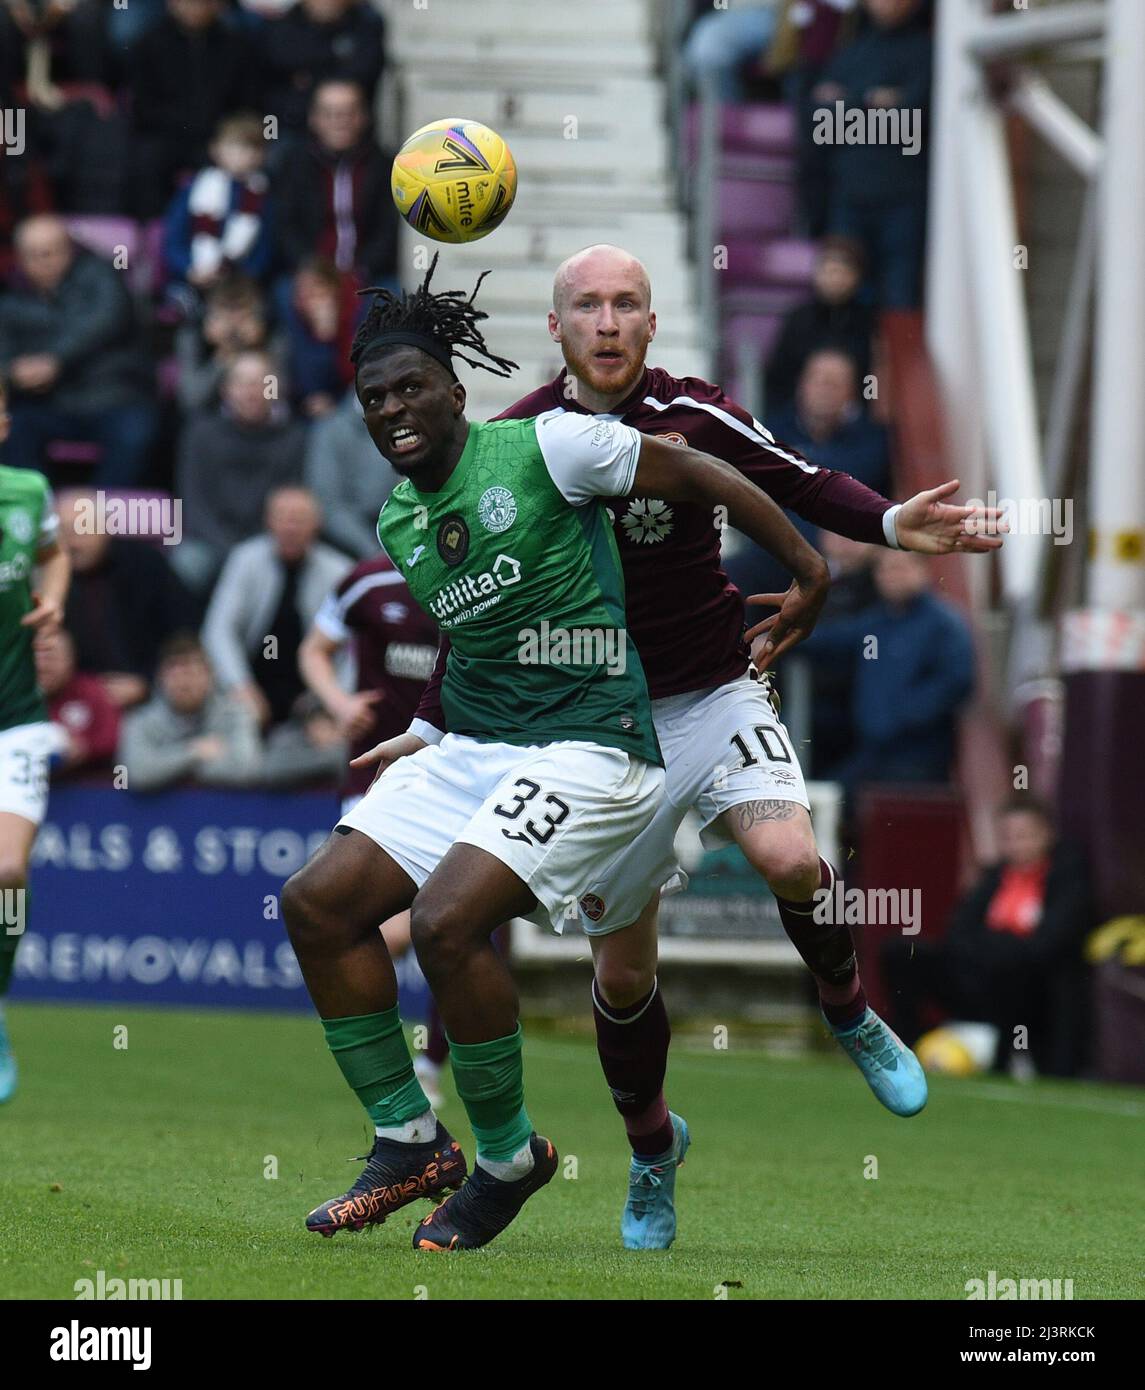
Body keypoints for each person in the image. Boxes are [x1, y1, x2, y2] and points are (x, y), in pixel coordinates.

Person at [379, 244, 1003, 1250]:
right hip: (599, 735)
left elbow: (797, 478)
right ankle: (651, 1149)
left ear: (652, 322)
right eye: (587, 304)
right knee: (623, 977)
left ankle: (849, 1011)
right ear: (557, 328)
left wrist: (886, 521)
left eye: (627, 301)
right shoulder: (517, 439)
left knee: (790, 856)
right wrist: (426, 723)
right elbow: (474, 602)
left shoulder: (695, 414)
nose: (609, 319)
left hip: (713, 694)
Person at [281, 256, 833, 1252]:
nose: (394, 409)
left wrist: (807, 566)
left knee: (448, 923)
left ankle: (506, 1158)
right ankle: (409, 1142)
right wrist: (435, 726)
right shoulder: (399, 520)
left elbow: (699, 469)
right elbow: (482, 644)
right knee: (315, 905)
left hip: (595, 749)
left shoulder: (547, 443)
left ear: (457, 394)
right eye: (374, 398)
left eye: (412, 388)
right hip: (482, 748)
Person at [881, 798, 1092, 1078]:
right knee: (900, 952)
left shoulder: (1068, 880)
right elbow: (957, 932)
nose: (1018, 845)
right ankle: (905, 1048)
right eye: (1009, 837)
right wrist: (992, 948)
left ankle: (1006, 1062)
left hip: (1028, 991)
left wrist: (999, 947)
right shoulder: (992, 879)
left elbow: (1048, 945)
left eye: (1025, 836)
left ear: (1047, 835)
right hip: (979, 977)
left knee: (1017, 969)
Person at [0, 381, 71, 1100]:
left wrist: (53, 598)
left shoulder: (26, 492)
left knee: (7, 874)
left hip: (15, 715)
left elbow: (55, 556)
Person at [201, 486, 353, 788]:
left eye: (299, 519)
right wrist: (240, 686)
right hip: (250, 692)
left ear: (317, 524)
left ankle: (269, 771)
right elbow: (218, 631)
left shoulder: (340, 570)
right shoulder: (245, 559)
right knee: (232, 746)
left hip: (310, 699)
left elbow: (353, 651)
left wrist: (332, 706)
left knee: (342, 751)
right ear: (268, 522)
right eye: (282, 518)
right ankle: (259, 770)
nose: (290, 527)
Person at [803, 546, 975, 799]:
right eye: (883, 569)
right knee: (828, 799)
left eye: (899, 567)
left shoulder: (944, 623)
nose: (890, 576)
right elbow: (831, 641)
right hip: (872, 753)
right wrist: (779, 638)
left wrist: (902, 714)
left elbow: (958, 680)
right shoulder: (876, 622)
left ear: (923, 570)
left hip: (919, 760)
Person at [0, 215, 157, 485]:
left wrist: (54, 360)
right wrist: (14, 373)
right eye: (32, 255)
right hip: (45, 402)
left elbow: (107, 319)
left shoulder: (103, 275)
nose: (42, 262)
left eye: (50, 252)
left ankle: (99, 520)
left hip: (111, 395)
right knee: (10, 428)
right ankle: (39, 514)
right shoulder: (10, 297)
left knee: (136, 431)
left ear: (69, 249)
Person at [814, 0, 933, 308]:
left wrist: (849, 101)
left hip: (903, 196)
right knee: (837, 293)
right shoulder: (852, 50)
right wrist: (872, 99)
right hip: (849, 193)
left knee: (899, 295)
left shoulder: (926, 52)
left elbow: (914, 116)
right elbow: (821, 117)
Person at [172, 349, 307, 595]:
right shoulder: (200, 434)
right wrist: (232, 552)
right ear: (226, 390)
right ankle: (187, 634)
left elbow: (290, 502)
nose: (251, 392)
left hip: (269, 542)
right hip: (209, 541)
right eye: (242, 383)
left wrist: (254, 550)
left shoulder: (294, 437)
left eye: (261, 383)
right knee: (186, 564)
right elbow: (193, 506)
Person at [56, 489, 197, 708]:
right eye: (64, 532)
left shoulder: (146, 565)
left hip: (155, 695)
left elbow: (183, 634)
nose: (73, 543)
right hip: (73, 701)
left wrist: (147, 682)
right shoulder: (48, 580)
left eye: (81, 530)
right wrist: (89, 691)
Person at [117, 632, 262, 792]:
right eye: (176, 675)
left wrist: (164, 768)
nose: (184, 683)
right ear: (160, 678)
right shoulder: (140, 720)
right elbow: (137, 773)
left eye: (192, 673)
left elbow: (245, 768)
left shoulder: (235, 713)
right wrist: (194, 753)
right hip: (161, 815)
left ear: (210, 676)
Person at [162, 112, 275, 316]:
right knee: (184, 308)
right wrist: (189, 270)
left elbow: (265, 248)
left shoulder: (262, 196)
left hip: (239, 284)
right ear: (216, 150)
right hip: (192, 279)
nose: (242, 155)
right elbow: (173, 239)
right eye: (234, 147)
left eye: (250, 149)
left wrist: (242, 277)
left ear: (261, 155)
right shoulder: (195, 190)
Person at [764, 236, 874, 411]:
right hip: (795, 418)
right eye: (829, 271)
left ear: (857, 278)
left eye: (841, 272)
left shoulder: (868, 323)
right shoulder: (799, 319)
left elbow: (871, 381)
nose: (834, 279)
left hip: (852, 421)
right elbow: (778, 378)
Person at [35, 625, 121, 776]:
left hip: (87, 786)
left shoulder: (91, 692)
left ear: (70, 659)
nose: (42, 666)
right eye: (36, 657)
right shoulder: (15, 698)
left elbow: (113, 738)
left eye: (50, 657)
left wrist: (85, 747)